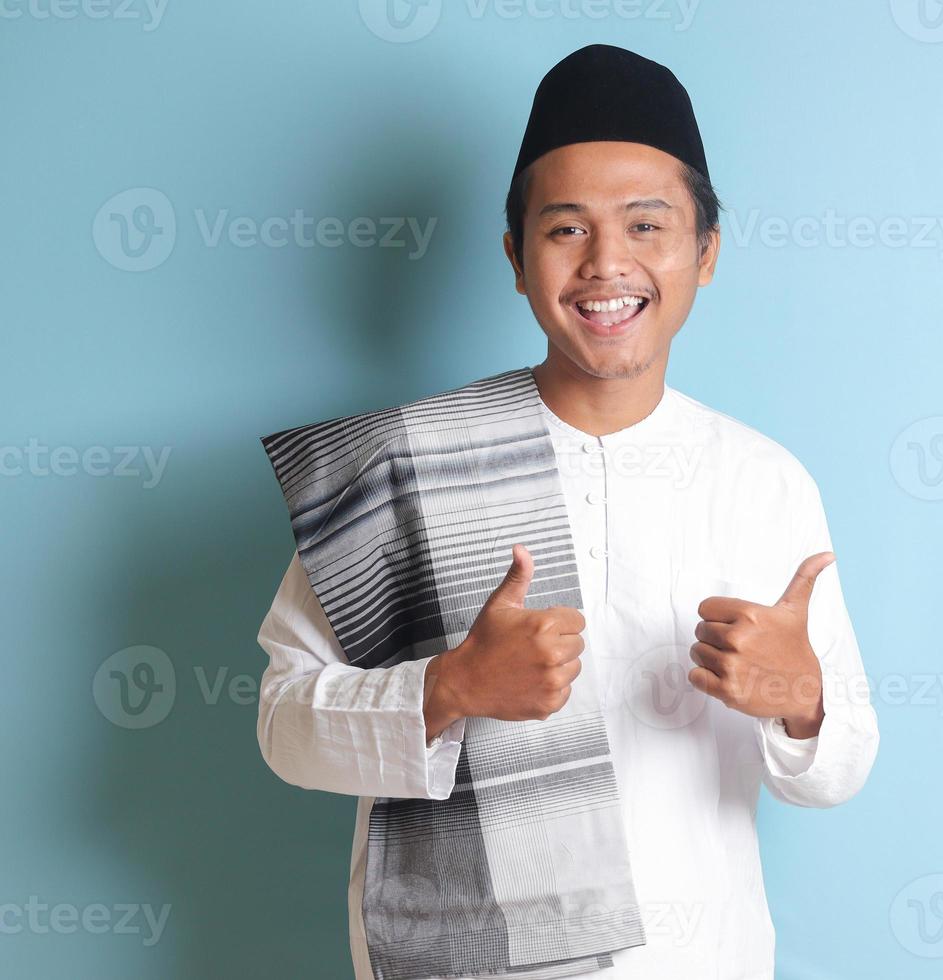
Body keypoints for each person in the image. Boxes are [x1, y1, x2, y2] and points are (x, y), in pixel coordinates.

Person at [255, 43, 879, 980]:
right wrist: (450, 688)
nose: (607, 264)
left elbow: (843, 765)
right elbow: (283, 728)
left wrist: (803, 702)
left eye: (645, 225)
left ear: (705, 252)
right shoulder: (403, 465)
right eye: (566, 230)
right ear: (515, 256)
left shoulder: (764, 481)